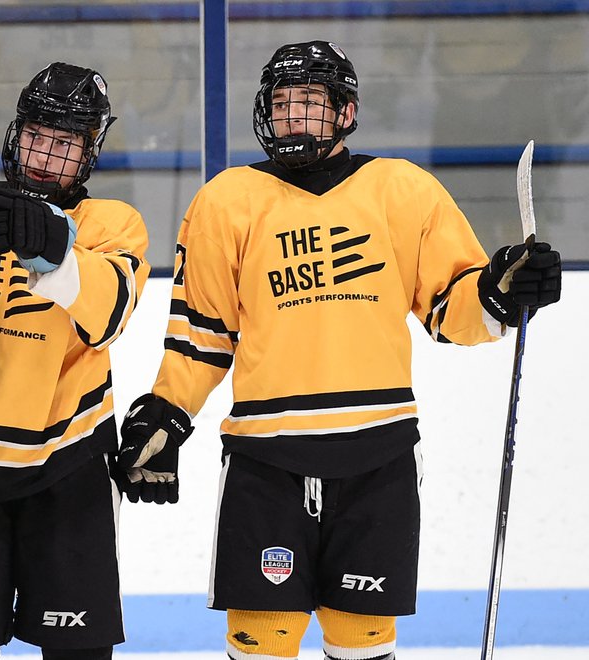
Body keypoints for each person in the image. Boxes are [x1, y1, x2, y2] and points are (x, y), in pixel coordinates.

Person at [115, 41, 563, 660]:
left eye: (310, 103)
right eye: (281, 103)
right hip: (266, 461)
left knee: (361, 643)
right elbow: (202, 334)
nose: (293, 117)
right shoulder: (226, 200)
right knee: (260, 643)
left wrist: (497, 292)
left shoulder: (403, 190)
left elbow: (451, 307)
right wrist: (166, 409)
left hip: (377, 454)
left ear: (346, 113)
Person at [0, 62, 150, 660]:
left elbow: (111, 314)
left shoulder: (112, 224)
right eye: (37, 136)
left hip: (68, 469)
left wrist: (53, 245)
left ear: (89, 152)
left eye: (64, 143)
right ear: (16, 134)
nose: (45, 155)